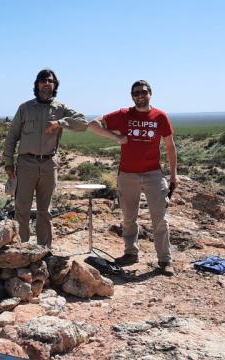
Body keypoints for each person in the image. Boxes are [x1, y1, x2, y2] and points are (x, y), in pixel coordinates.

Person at [88, 80, 178, 276]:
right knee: (129, 217)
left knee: (160, 218)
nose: (139, 95)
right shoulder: (123, 115)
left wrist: (173, 174)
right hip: (127, 174)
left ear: (150, 93)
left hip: (154, 173)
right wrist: (116, 138)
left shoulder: (160, 116)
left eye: (143, 92)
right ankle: (130, 253)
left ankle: (165, 260)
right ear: (132, 95)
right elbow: (93, 124)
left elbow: (170, 146)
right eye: (135, 93)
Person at [4, 69, 88, 247]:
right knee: (22, 209)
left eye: (50, 80)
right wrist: (8, 163)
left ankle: (44, 249)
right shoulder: (25, 108)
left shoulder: (60, 109)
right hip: (26, 163)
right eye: (42, 80)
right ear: (37, 84)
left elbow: (82, 123)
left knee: (45, 211)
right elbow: (12, 137)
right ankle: (21, 248)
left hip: (49, 164)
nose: (46, 83)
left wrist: (60, 123)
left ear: (55, 84)